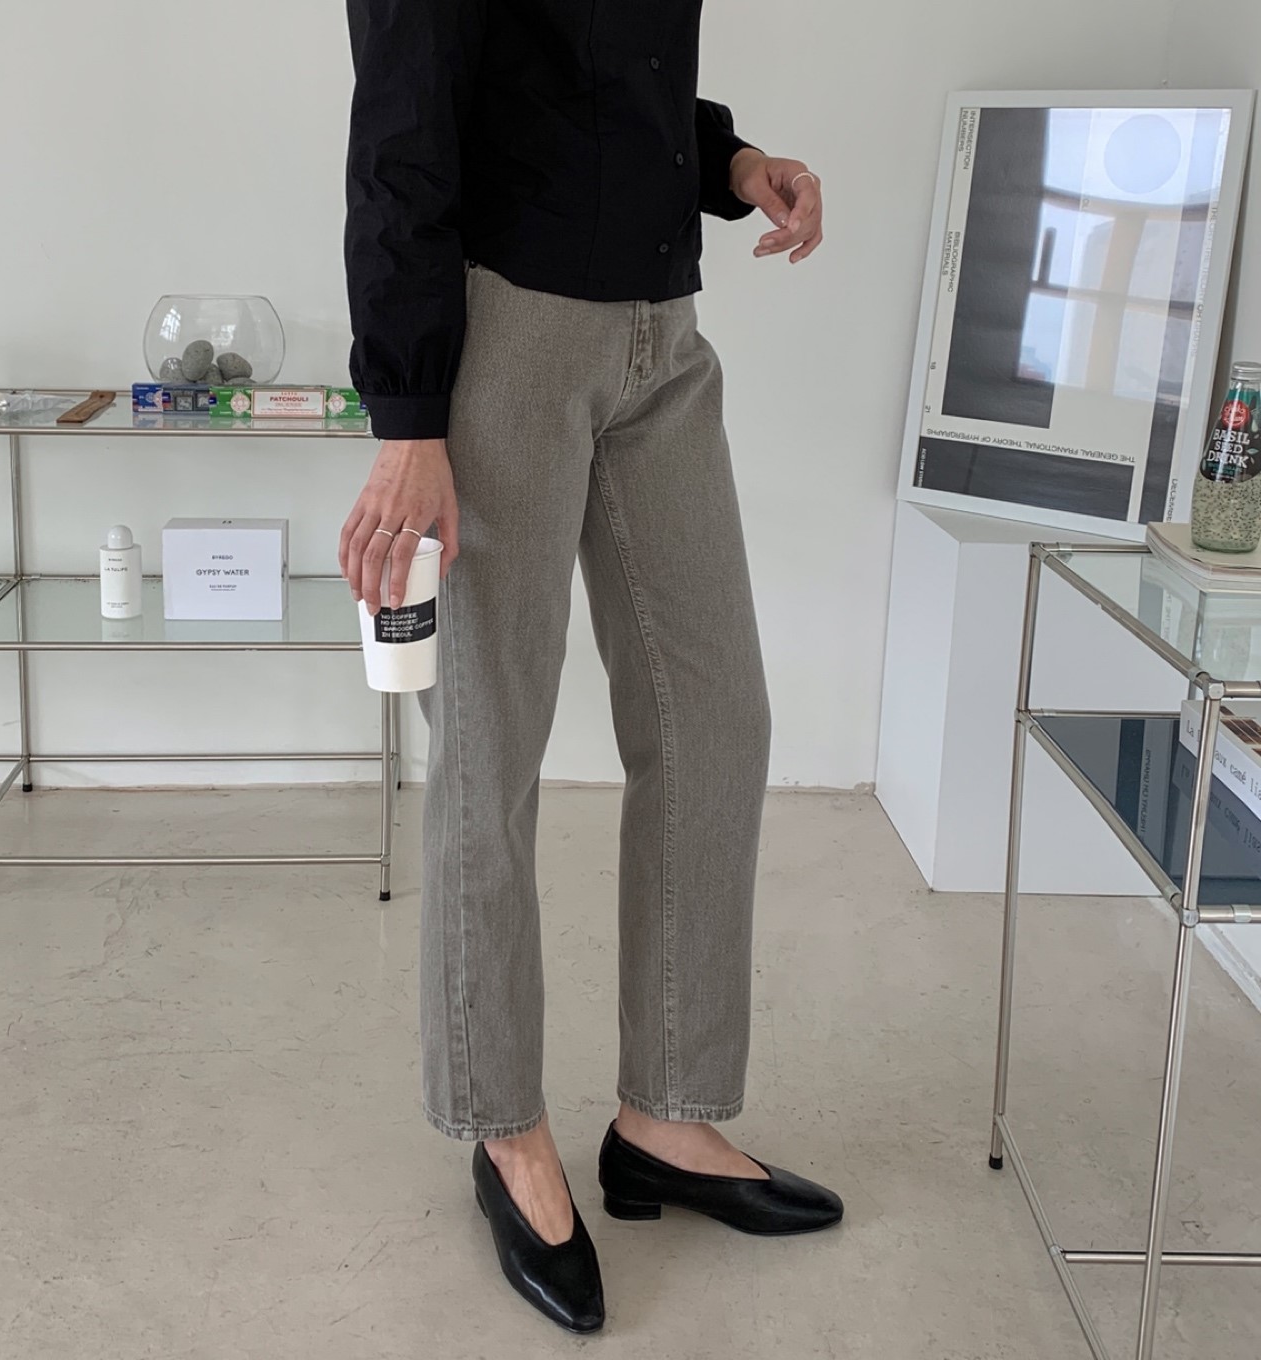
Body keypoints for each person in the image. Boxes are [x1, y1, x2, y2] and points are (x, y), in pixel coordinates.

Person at [340, 0, 842, 1333]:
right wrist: (408, 417)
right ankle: (504, 1131)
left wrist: (732, 162)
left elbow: (607, 72)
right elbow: (401, 142)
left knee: (715, 719)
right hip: (509, 337)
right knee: (491, 749)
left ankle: (665, 1117)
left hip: (661, 335)